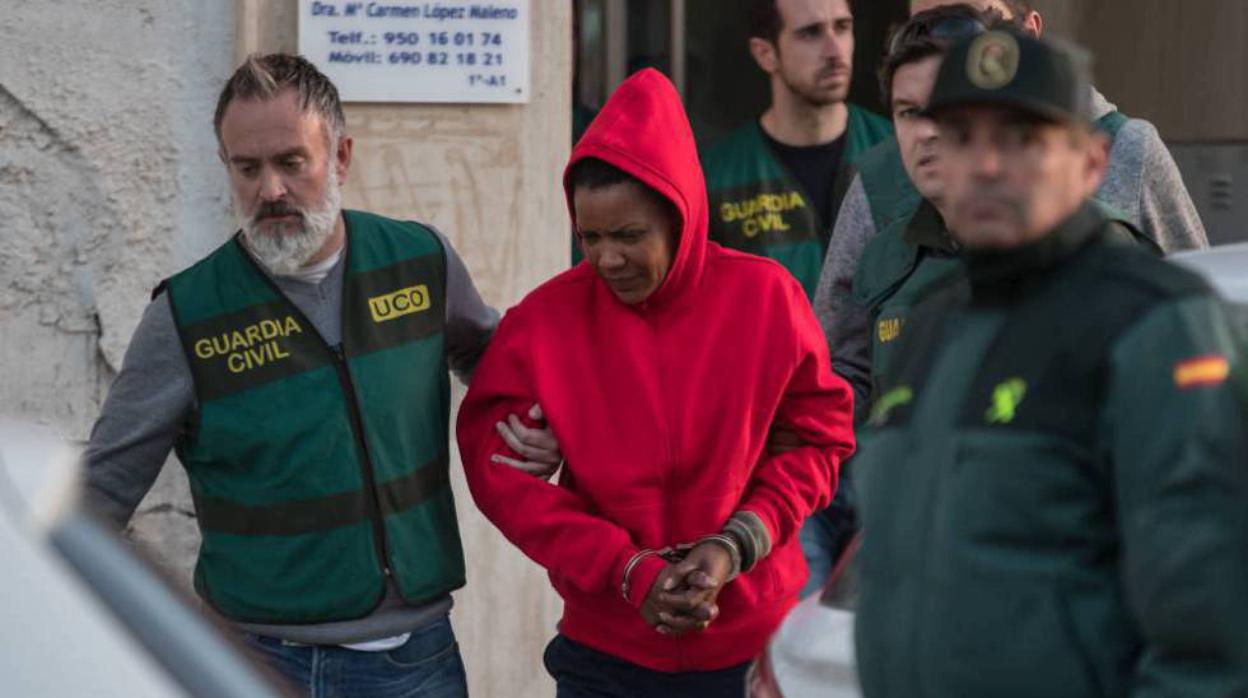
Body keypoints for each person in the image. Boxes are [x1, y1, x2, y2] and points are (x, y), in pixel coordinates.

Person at [82, 54, 559, 698]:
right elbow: (99, 492)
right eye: (247, 168)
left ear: (340, 158)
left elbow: (495, 361)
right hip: (255, 663)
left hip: (415, 663)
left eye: (291, 162)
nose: (270, 189)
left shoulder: (419, 261)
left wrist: (538, 426)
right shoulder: (187, 314)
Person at [853, 30, 1248, 698]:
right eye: (962, 137)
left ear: (1093, 162)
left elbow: (1209, 646)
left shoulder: (1154, 327)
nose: (985, 165)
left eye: (1022, 139)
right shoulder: (928, 328)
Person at [456, 68, 855, 698]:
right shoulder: (542, 323)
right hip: (604, 656)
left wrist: (737, 542)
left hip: (752, 646)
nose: (606, 258)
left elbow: (819, 438)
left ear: (680, 216)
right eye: (589, 237)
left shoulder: (767, 299)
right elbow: (497, 470)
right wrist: (624, 568)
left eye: (628, 235)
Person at [702, 0, 893, 300]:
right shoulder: (718, 177)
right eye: (811, 33)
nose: (834, 50)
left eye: (842, 27)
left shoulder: (895, 151)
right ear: (765, 54)